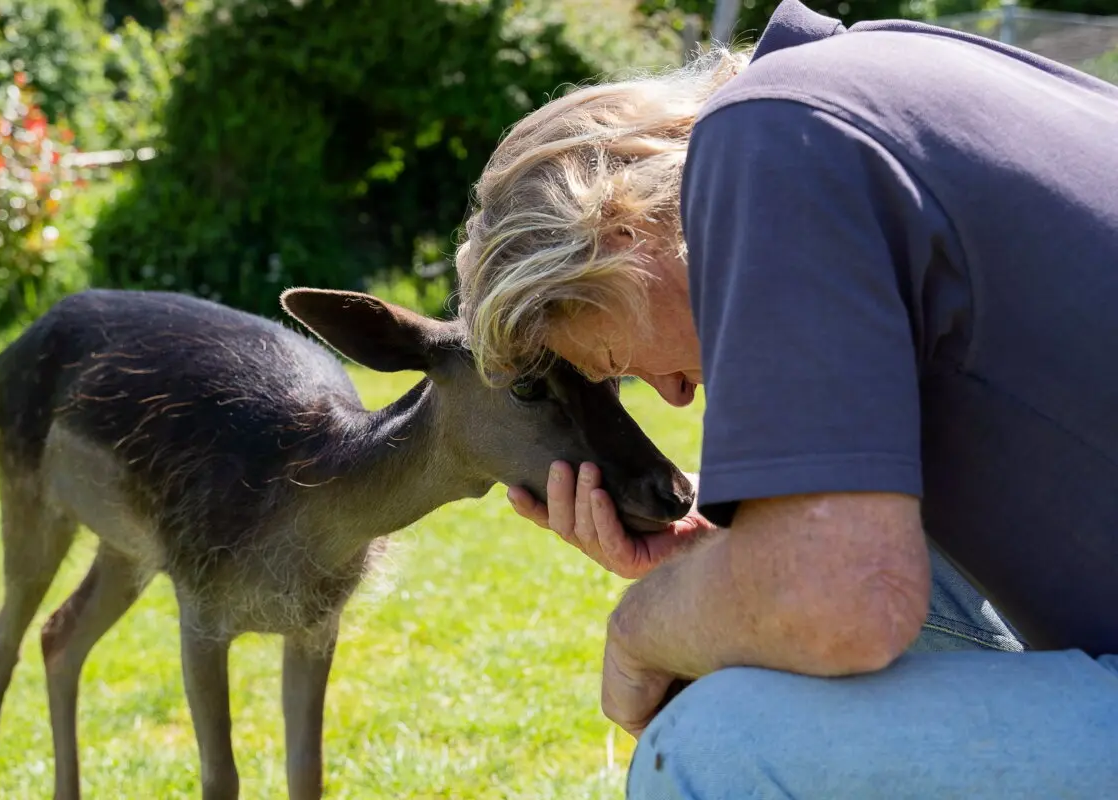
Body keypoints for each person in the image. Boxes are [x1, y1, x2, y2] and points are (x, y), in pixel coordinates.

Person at [453, 0, 1118, 796]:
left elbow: (844, 598)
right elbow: (867, 564)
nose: (672, 393)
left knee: (715, 743)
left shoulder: (771, 135)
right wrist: (729, 562)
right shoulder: (873, 85)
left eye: (613, 360)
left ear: (618, 234)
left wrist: (639, 630)